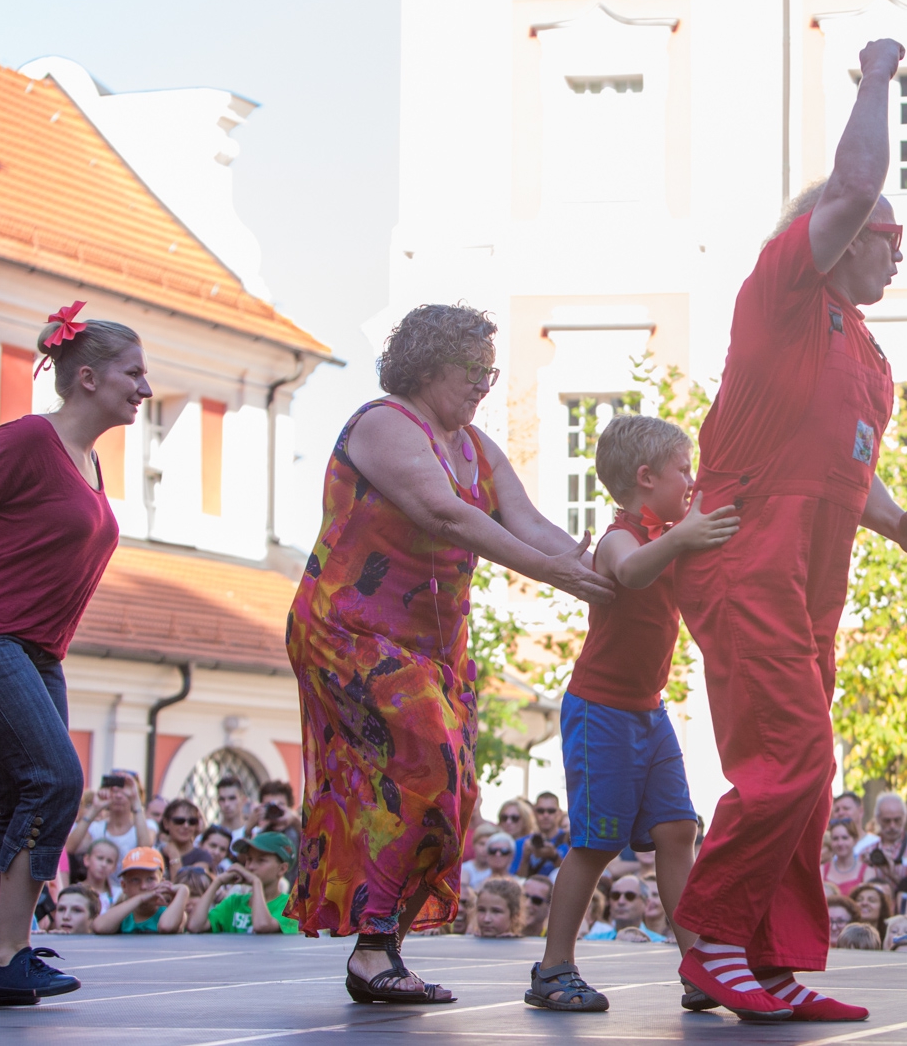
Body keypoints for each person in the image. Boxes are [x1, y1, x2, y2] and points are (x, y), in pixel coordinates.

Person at [671, 37, 907, 1025]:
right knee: (792, 755)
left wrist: (895, 518)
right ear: (841, 234)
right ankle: (711, 940)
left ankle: (767, 958)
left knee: (808, 768)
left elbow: (842, 468)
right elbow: (856, 179)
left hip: (814, 566)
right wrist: (877, 76)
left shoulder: (868, 353)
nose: (899, 251)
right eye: (888, 235)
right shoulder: (782, 294)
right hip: (748, 553)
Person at [287, 305, 615, 1004]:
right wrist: (552, 573)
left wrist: (605, 573)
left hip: (437, 647)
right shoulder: (383, 424)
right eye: (473, 370)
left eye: (490, 373)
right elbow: (445, 513)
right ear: (428, 364)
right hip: (351, 631)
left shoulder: (474, 445)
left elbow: (526, 521)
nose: (483, 385)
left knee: (456, 789)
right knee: (428, 761)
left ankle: (382, 947)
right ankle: (372, 950)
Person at [0, 306, 151, 1004]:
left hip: (37, 650)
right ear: (87, 377)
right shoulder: (28, 438)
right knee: (56, 778)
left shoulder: (89, 461)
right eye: (134, 373)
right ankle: (12, 956)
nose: (145, 388)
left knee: (26, 794)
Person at [526, 414, 728, 1011]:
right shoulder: (620, 535)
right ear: (646, 478)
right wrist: (683, 537)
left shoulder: (670, 532)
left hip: (648, 709)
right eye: (682, 470)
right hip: (601, 709)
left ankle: (698, 967)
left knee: (677, 829)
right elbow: (632, 572)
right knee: (597, 842)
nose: (690, 481)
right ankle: (553, 968)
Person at [186, 832, 300, 935]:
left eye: (261, 860)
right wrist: (217, 882)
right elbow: (195, 926)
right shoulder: (234, 902)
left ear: (282, 869)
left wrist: (256, 882)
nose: (251, 867)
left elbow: (262, 925)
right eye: (249, 859)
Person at [65, 774, 153, 887]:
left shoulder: (142, 828)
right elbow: (69, 848)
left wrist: (136, 800)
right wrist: (95, 808)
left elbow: (145, 849)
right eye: (114, 791)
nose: (118, 796)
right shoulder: (96, 828)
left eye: (124, 792)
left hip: (128, 892)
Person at [94, 847, 189, 934]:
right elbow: (99, 927)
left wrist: (183, 890)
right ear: (124, 886)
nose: (143, 886)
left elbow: (166, 927)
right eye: (135, 880)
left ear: (162, 883)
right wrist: (141, 898)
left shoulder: (171, 912)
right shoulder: (122, 915)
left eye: (150, 879)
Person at [855, 794, 907, 887]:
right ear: (877, 819)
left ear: (905, 817)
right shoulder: (866, 852)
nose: (892, 826)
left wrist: (892, 875)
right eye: (887, 821)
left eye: (897, 820)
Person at [582, 877, 667, 943]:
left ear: (645, 903)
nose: (621, 901)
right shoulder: (590, 940)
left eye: (630, 896)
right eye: (615, 896)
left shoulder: (661, 944)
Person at [517, 791, 570, 879]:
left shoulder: (569, 840)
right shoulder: (521, 844)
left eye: (551, 811)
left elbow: (572, 876)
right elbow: (517, 880)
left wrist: (554, 856)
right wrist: (525, 858)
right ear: (534, 812)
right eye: (541, 811)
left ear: (559, 813)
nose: (546, 815)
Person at [821, 819, 874, 897]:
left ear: (855, 840)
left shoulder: (867, 871)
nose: (840, 843)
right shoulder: (821, 870)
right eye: (835, 839)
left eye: (845, 838)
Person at [155, 798, 202, 879]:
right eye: (179, 821)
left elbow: (182, 884)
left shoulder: (202, 856)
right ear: (166, 823)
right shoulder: (156, 850)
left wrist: (173, 854)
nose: (186, 826)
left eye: (192, 821)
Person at [215, 776, 249, 841]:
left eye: (232, 798)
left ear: (243, 800)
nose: (226, 804)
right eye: (222, 799)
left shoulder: (256, 834)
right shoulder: (208, 837)